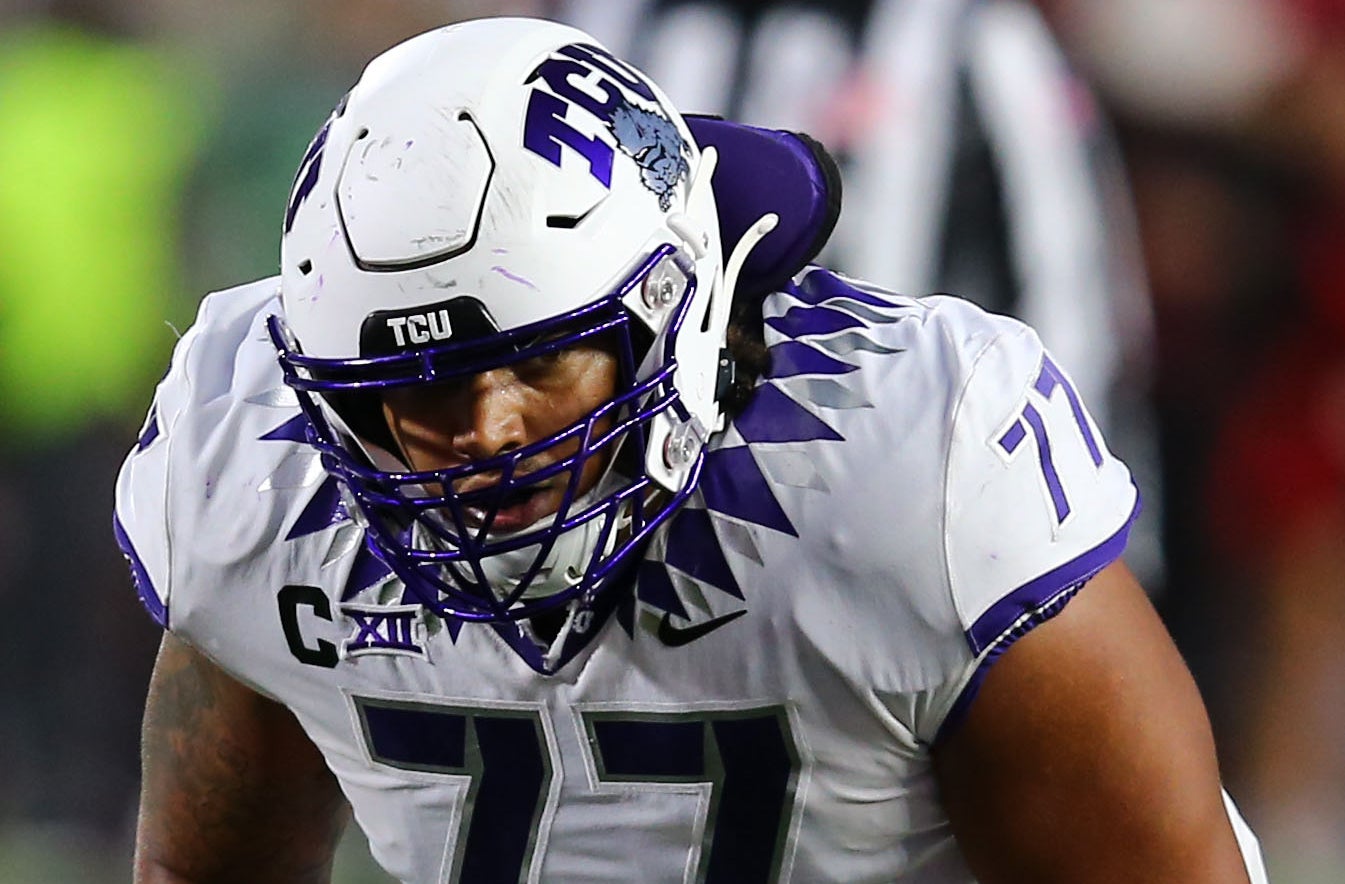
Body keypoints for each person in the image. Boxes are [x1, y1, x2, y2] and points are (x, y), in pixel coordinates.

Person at [114, 16, 1266, 883]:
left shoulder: (912, 469)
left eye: (538, 361)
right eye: (415, 389)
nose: (487, 431)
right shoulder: (252, 468)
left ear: (671, 307)